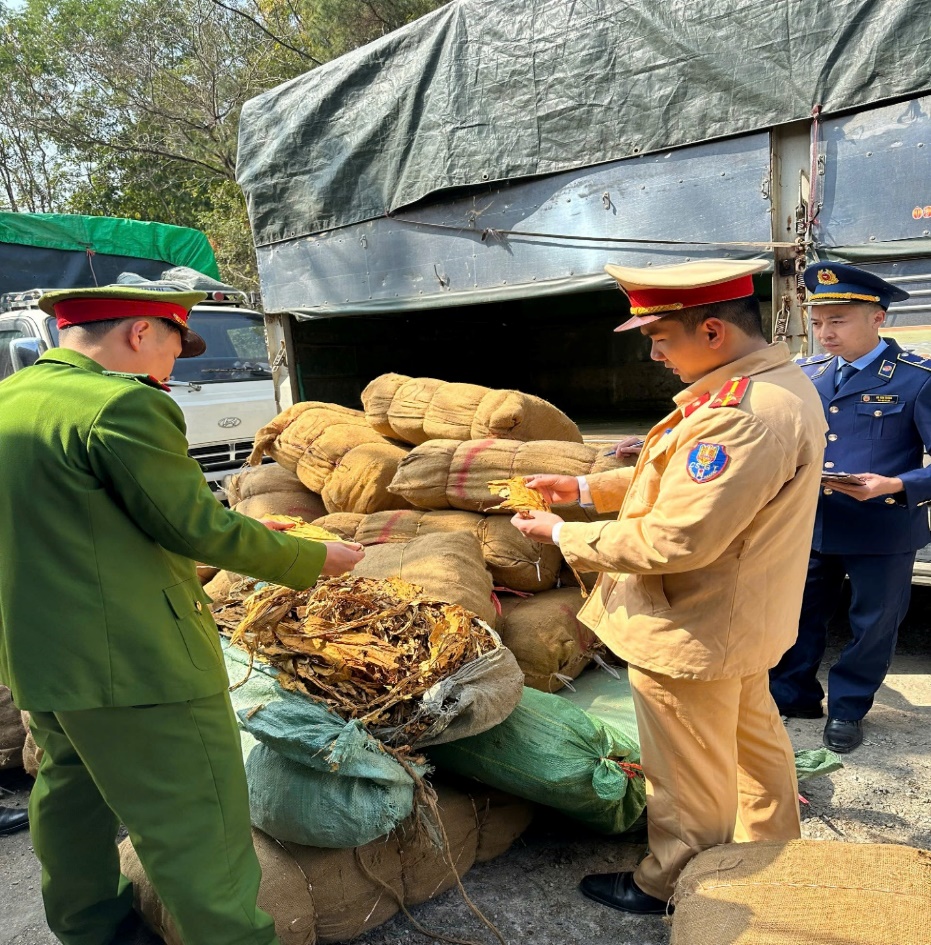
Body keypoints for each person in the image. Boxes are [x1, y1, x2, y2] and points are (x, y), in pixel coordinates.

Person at [0, 278, 364, 945]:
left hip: (41, 654)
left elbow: (85, 517)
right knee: (196, 822)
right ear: (141, 332)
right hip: (135, 661)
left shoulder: (11, 397)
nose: (174, 367)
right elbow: (194, 529)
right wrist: (313, 559)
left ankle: (91, 926)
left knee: (70, 793)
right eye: (175, 348)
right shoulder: (120, 406)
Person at [511, 259, 826, 915]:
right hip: (735, 620)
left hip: (692, 624)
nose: (653, 354)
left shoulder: (739, 416)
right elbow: (682, 487)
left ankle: (676, 883)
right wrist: (581, 490)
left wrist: (563, 534)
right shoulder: (763, 387)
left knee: (685, 775)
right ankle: (773, 857)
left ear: (712, 331)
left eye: (659, 337)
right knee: (751, 747)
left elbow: (676, 539)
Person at [769, 262, 931, 753]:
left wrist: (896, 484)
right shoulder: (807, 374)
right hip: (811, 524)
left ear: (878, 318)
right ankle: (792, 696)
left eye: (837, 320)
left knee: (873, 625)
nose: (824, 334)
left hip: (882, 529)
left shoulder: (916, 379)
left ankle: (847, 708)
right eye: (817, 322)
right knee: (795, 615)